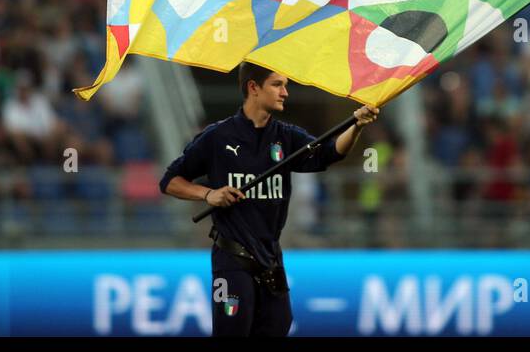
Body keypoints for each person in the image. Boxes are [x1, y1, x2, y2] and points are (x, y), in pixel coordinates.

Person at [159, 62, 379, 336]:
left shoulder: (286, 137)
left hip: (271, 260)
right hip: (233, 259)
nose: (285, 92)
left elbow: (329, 153)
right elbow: (169, 181)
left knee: (279, 326)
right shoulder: (217, 137)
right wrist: (208, 194)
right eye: (277, 85)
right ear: (253, 88)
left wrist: (356, 125)